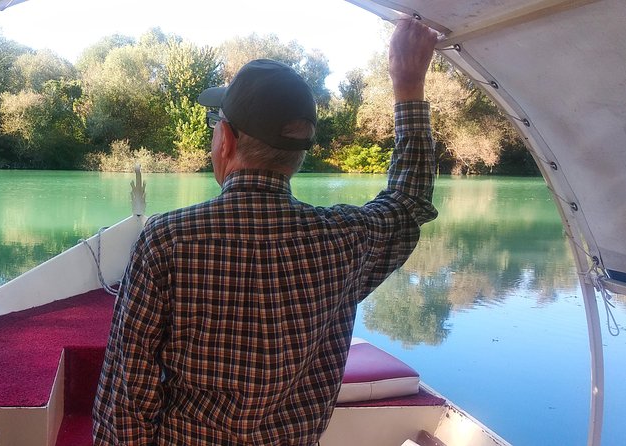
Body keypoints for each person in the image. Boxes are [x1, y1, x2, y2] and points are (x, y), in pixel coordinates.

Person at [92, 17, 439, 446]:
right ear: (296, 157)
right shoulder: (346, 241)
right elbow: (408, 202)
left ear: (227, 141)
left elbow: (127, 396)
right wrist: (408, 87)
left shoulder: (168, 241)